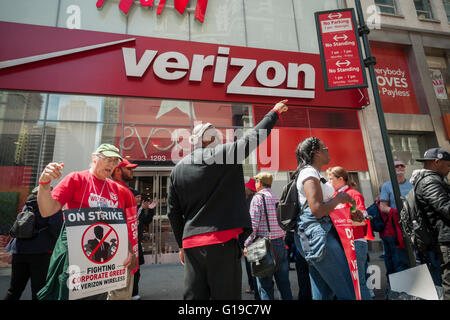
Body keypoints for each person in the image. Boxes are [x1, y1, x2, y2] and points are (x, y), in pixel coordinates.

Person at [167, 99, 289, 300]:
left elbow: (173, 212)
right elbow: (254, 137)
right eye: (214, 132)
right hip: (221, 242)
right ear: (206, 138)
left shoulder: (177, 169)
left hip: (191, 245)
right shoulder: (225, 155)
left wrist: (182, 244)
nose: (219, 135)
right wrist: (274, 112)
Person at [36, 143, 137, 300]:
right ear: (94, 158)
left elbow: (119, 226)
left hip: (102, 265)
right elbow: (46, 210)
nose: (111, 164)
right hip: (74, 256)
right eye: (107, 159)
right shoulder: (76, 179)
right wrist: (44, 184)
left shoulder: (116, 189)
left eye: (115, 161)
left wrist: (129, 250)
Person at [293, 137, 364, 300]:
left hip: (316, 235)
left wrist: (349, 210)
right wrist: (339, 198)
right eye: (325, 148)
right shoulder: (309, 173)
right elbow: (317, 209)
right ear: (317, 153)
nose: (328, 151)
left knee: (324, 292)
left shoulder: (313, 173)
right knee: (348, 288)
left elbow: (324, 207)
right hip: (319, 236)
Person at [4, 187, 63, 300]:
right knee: (39, 291)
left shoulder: (27, 205)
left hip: (19, 251)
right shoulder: (52, 205)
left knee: (14, 290)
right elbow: (56, 228)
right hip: (41, 252)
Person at [244, 172, 293, 300]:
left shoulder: (257, 198)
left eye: (256, 181)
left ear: (259, 183)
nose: (255, 184)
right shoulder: (277, 197)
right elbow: (284, 223)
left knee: (265, 286)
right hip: (280, 244)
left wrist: (247, 244)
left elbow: (253, 225)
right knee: (284, 283)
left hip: (262, 246)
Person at [326, 166, 372, 300]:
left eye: (330, 179)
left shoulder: (353, 194)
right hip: (342, 245)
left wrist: (340, 223)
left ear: (340, 179)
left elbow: (363, 220)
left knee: (358, 283)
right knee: (347, 284)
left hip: (356, 243)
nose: (329, 183)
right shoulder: (333, 197)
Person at [413, 148, 450, 300]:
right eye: (448, 165)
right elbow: (446, 208)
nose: (449, 169)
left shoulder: (434, 179)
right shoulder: (429, 181)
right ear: (437, 162)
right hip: (445, 241)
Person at [109, 158, 139, 300]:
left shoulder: (123, 189)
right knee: (120, 294)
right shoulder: (118, 189)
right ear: (117, 170)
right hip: (123, 254)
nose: (131, 171)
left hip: (127, 251)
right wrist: (128, 251)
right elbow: (117, 222)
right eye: (128, 168)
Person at [379, 160, 411, 278]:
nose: (400, 167)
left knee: (414, 259)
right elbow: (383, 206)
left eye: (402, 165)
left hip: (413, 227)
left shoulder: (412, 184)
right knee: (398, 260)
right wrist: (396, 212)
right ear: (392, 169)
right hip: (395, 229)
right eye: (397, 166)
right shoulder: (387, 185)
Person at [133, 192, 157, 300]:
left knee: (137, 270)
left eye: (140, 198)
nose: (139, 199)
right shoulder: (132, 208)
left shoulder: (141, 210)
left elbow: (147, 220)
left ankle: (134, 293)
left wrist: (151, 209)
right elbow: (133, 220)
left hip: (137, 243)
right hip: (129, 243)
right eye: (137, 197)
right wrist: (141, 208)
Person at [241, 178, 260, 300]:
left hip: (250, 236)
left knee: (251, 264)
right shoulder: (251, 198)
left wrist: (246, 241)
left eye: (246, 187)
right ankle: (255, 285)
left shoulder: (250, 200)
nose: (244, 188)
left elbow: (251, 221)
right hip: (253, 236)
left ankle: (254, 287)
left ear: (250, 188)